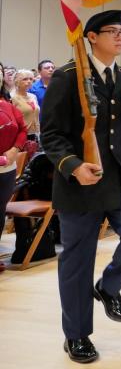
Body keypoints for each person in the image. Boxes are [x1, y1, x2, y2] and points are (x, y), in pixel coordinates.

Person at [41, 11, 121, 364]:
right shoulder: (68, 77)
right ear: (91, 37)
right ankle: (76, 335)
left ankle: (107, 287)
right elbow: (52, 135)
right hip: (80, 184)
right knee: (77, 261)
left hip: (119, 178)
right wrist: (73, 167)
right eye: (113, 32)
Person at [0, 62, 28, 273]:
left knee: (0, 212)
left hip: (6, 169)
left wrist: (15, 149)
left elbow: (22, 129)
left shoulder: (7, 104)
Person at [11, 69, 40, 140]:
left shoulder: (33, 96)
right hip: (20, 135)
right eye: (25, 79)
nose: (29, 81)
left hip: (35, 134)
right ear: (16, 81)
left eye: (31, 79)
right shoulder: (12, 97)